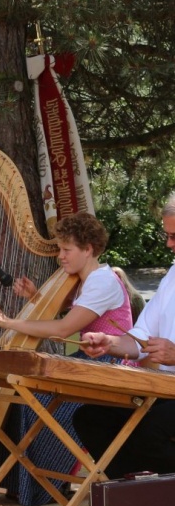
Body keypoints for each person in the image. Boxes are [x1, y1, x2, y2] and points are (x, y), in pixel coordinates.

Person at [0, 211, 134, 505]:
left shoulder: (102, 281)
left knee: (37, 401)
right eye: (60, 249)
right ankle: (25, 485)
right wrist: (35, 297)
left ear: (88, 249)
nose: (61, 256)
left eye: (67, 250)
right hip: (91, 363)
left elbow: (63, 328)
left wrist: (8, 321)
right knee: (24, 393)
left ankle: (46, 486)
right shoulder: (85, 280)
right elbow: (63, 314)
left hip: (112, 367)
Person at [74, 195, 175, 479]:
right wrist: (110, 342)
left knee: (150, 430)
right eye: (167, 236)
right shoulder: (171, 277)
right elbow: (140, 338)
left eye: (174, 236)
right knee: (91, 418)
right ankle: (132, 495)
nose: (169, 244)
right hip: (164, 390)